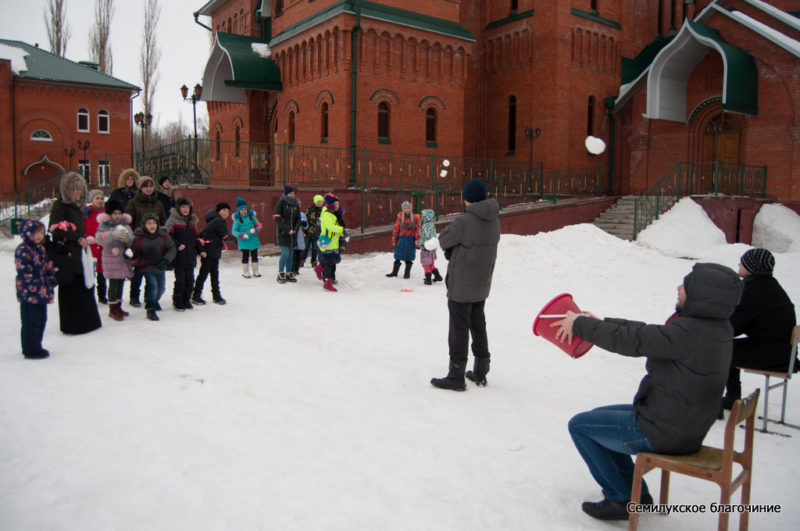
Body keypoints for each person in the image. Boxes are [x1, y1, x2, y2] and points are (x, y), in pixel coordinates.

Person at [550, 262, 743, 520]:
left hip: (665, 431)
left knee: (581, 426)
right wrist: (603, 323)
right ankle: (637, 494)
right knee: (597, 416)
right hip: (682, 423)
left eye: (686, 286)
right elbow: (650, 334)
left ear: (701, 295)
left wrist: (581, 326)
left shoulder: (689, 332)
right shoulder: (715, 329)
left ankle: (620, 498)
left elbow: (636, 341)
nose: (678, 288)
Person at [431, 178, 500, 391]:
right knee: (478, 324)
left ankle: (456, 374)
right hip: (481, 283)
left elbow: (443, 240)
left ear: (467, 198)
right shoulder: (494, 220)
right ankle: (481, 369)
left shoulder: (464, 221)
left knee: (458, 328)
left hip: (462, 285)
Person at [722, 248, 797, 409]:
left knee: (721, 349)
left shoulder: (755, 290)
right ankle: (732, 396)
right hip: (782, 352)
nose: (739, 264)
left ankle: (729, 397)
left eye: (743, 262)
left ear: (752, 267)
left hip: (774, 355)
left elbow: (733, 326)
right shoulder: (767, 286)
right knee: (726, 346)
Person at [47, 171, 102, 335]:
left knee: (83, 284)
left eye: (80, 189)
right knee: (70, 286)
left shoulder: (78, 207)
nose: (77, 193)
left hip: (80, 253)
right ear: (67, 190)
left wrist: (84, 238)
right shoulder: (60, 205)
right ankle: (73, 325)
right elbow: (55, 227)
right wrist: (77, 238)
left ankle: (87, 322)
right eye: (74, 189)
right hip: (67, 254)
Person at [15, 219, 58, 359]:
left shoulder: (40, 249)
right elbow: (24, 272)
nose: (39, 236)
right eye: (35, 233)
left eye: (41, 232)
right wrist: (36, 285)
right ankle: (30, 348)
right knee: (31, 321)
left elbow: (47, 266)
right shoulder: (23, 250)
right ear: (27, 233)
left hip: (41, 292)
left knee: (41, 319)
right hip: (29, 293)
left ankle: (36, 345)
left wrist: (51, 277)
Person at [124, 175, 167, 307]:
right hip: (139, 241)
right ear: (140, 188)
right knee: (138, 271)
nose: (148, 189)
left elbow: (163, 222)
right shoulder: (133, 203)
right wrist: (132, 240)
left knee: (152, 272)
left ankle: (151, 298)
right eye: (145, 186)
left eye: (151, 186)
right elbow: (128, 223)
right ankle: (134, 296)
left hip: (155, 242)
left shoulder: (158, 203)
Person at [131, 213, 176, 321]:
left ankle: (154, 301)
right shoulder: (139, 238)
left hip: (160, 265)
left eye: (154, 223)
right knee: (153, 287)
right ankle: (150, 308)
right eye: (149, 223)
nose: (152, 226)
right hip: (146, 266)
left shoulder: (164, 235)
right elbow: (134, 252)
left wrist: (166, 260)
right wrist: (130, 255)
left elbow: (172, 248)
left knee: (161, 288)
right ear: (144, 225)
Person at [95, 201, 135, 320]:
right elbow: (99, 239)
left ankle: (119, 306)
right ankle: (113, 309)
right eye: (114, 213)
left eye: (119, 213)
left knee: (121, 282)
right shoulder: (105, 225)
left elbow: (131, 239)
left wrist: (127, 238)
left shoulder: (125, 225)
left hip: (122, 258)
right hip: (110, 258)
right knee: (113, 284)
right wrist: (113, 234)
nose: (117, 216)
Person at [165, 197, 202, 311]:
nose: (185, 210)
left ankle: (186, 299)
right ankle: (178, 301)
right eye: (183, 207)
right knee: (180, 279)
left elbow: (196, 238)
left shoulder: (192, 221)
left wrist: (201, 249)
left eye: (187, 207)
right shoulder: (173, 220)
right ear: (178, 208)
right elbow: (167, 236)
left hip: (190, 255)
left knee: (190, 279)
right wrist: (177, 244)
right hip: (179, 256)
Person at [193, 202, 232, 305]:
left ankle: (215, 296)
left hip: (212, 249)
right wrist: (239, 238)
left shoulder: (215, 220)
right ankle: (197, 296)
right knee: (206, 273)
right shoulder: (218, 220)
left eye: (227, 211)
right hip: (209, 250)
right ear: (218, 211)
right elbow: (225, 236)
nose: (225, 213)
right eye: (223, 210)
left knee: (211, 273)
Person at [315, 194, 344, 292]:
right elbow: (330, 227)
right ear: (330, 205)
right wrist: (341, 230)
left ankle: (319, 268)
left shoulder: (333, 213)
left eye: (338, 204)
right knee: (329, 263)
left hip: (332, 241)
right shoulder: (327, 214)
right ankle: (327, 283)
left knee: (332, 261)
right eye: (335, 204)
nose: (337, 206)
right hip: (327, 241)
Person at [83, 189, 107, 304]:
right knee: (90, 273)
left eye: (102, 198)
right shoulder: (87, 212)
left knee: (102, 273)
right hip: (90, 247)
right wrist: (87, 237)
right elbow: (82, 227)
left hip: (103, 246)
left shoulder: (106, 212)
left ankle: (102, 296)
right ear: (91, 200)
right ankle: (89, 296)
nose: (100, 201)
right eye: (97, 198)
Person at [273, 186, 301, 283]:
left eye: (294, 193)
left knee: (291, 254)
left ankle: (289, 273)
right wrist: (287, 229)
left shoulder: (296, 204)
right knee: (285, 253)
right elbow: (277, 218)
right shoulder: (281, 203)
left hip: (293, 234)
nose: (293, 195)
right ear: (286, 194)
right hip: (283, 232)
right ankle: (280, 273)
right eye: (291, 193)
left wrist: (296, 229)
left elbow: (298, 219)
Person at [386, 201, 420, 279]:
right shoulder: (400, 218)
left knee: (409, 258)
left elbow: (417, 230)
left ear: (411, 209)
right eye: (405, 208)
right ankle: (394, 272)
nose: (407, 210)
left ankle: (407, 274)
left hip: (410, 240)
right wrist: (394, 240)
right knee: (397, 256)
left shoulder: (415, 219)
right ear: (403, 209)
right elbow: (396, 229)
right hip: (401, 240)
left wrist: (417, 242)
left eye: (408, 208)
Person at [231, 196, 262, 279]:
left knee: (254, 255)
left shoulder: (252, 217)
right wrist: (241, 235)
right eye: (242, 210)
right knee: (245, 256)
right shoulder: (237, 220)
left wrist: (255, 229)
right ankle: (245, 272)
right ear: (239, 211)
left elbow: (259, 225)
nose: (244, 211)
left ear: (247, 209)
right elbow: (234, 231)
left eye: (245, 209)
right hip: (244, 241)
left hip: (253, 240)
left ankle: (256, 271)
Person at [418, 208, 443, 286]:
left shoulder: (425, 226)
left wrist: (418, 242)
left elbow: (424, 237)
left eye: (422, 215)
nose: (421, 217)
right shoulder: (431, 224)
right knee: (431, 264)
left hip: (426, 248)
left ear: (426, 216)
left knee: (425, 264)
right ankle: (437, 276)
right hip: (432, 248)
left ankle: (428, 279)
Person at [302, 195, 325, 269]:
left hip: (318, 234)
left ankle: (314, 261)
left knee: (315, 248)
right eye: (318, 201)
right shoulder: (309, 210)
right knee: (305, 247)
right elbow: (305, 221)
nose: (320, 203)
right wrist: (304, 231)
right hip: (308, 232)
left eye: (321, 201)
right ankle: (302, 260)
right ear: (315, 202)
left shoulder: (324, 211)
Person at [292, 202, 309, 276]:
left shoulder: (302, 214)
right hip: (292, 236)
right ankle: (292, 269)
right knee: (293, 254)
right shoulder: (290, 214)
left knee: (299, 254)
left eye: (298, 204)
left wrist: (304, 224)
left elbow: (306, 226)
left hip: (300, 236)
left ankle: (296, 269)